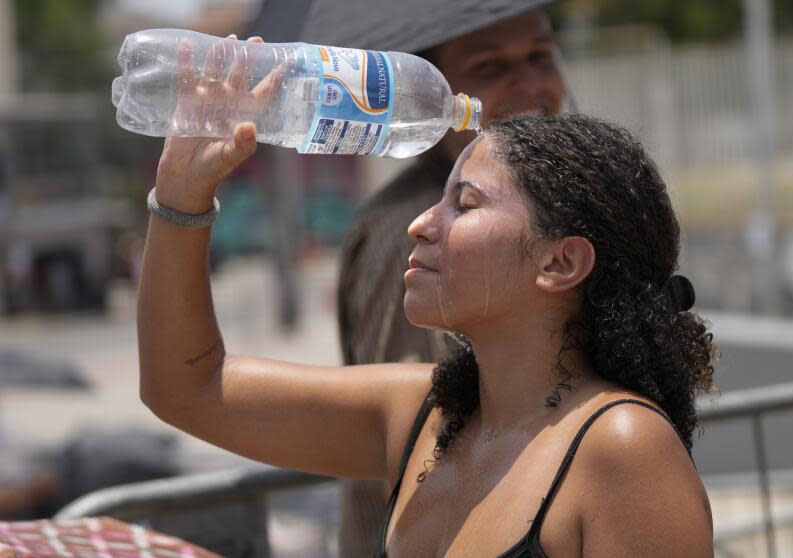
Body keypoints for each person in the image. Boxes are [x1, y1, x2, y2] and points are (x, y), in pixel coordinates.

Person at [136, 40, 717, 554]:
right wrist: (181, 196)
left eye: (463, 204)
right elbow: (189, 388)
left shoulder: (622, 449)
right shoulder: (423, 414)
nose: (419, 223)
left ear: (560, 262)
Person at [336, 11, 569, 552]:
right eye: (490, 65)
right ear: (430, 91)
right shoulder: (410, 232)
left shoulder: (549, 207)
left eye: (540, 55)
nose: (529, 84)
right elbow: (421, 437)